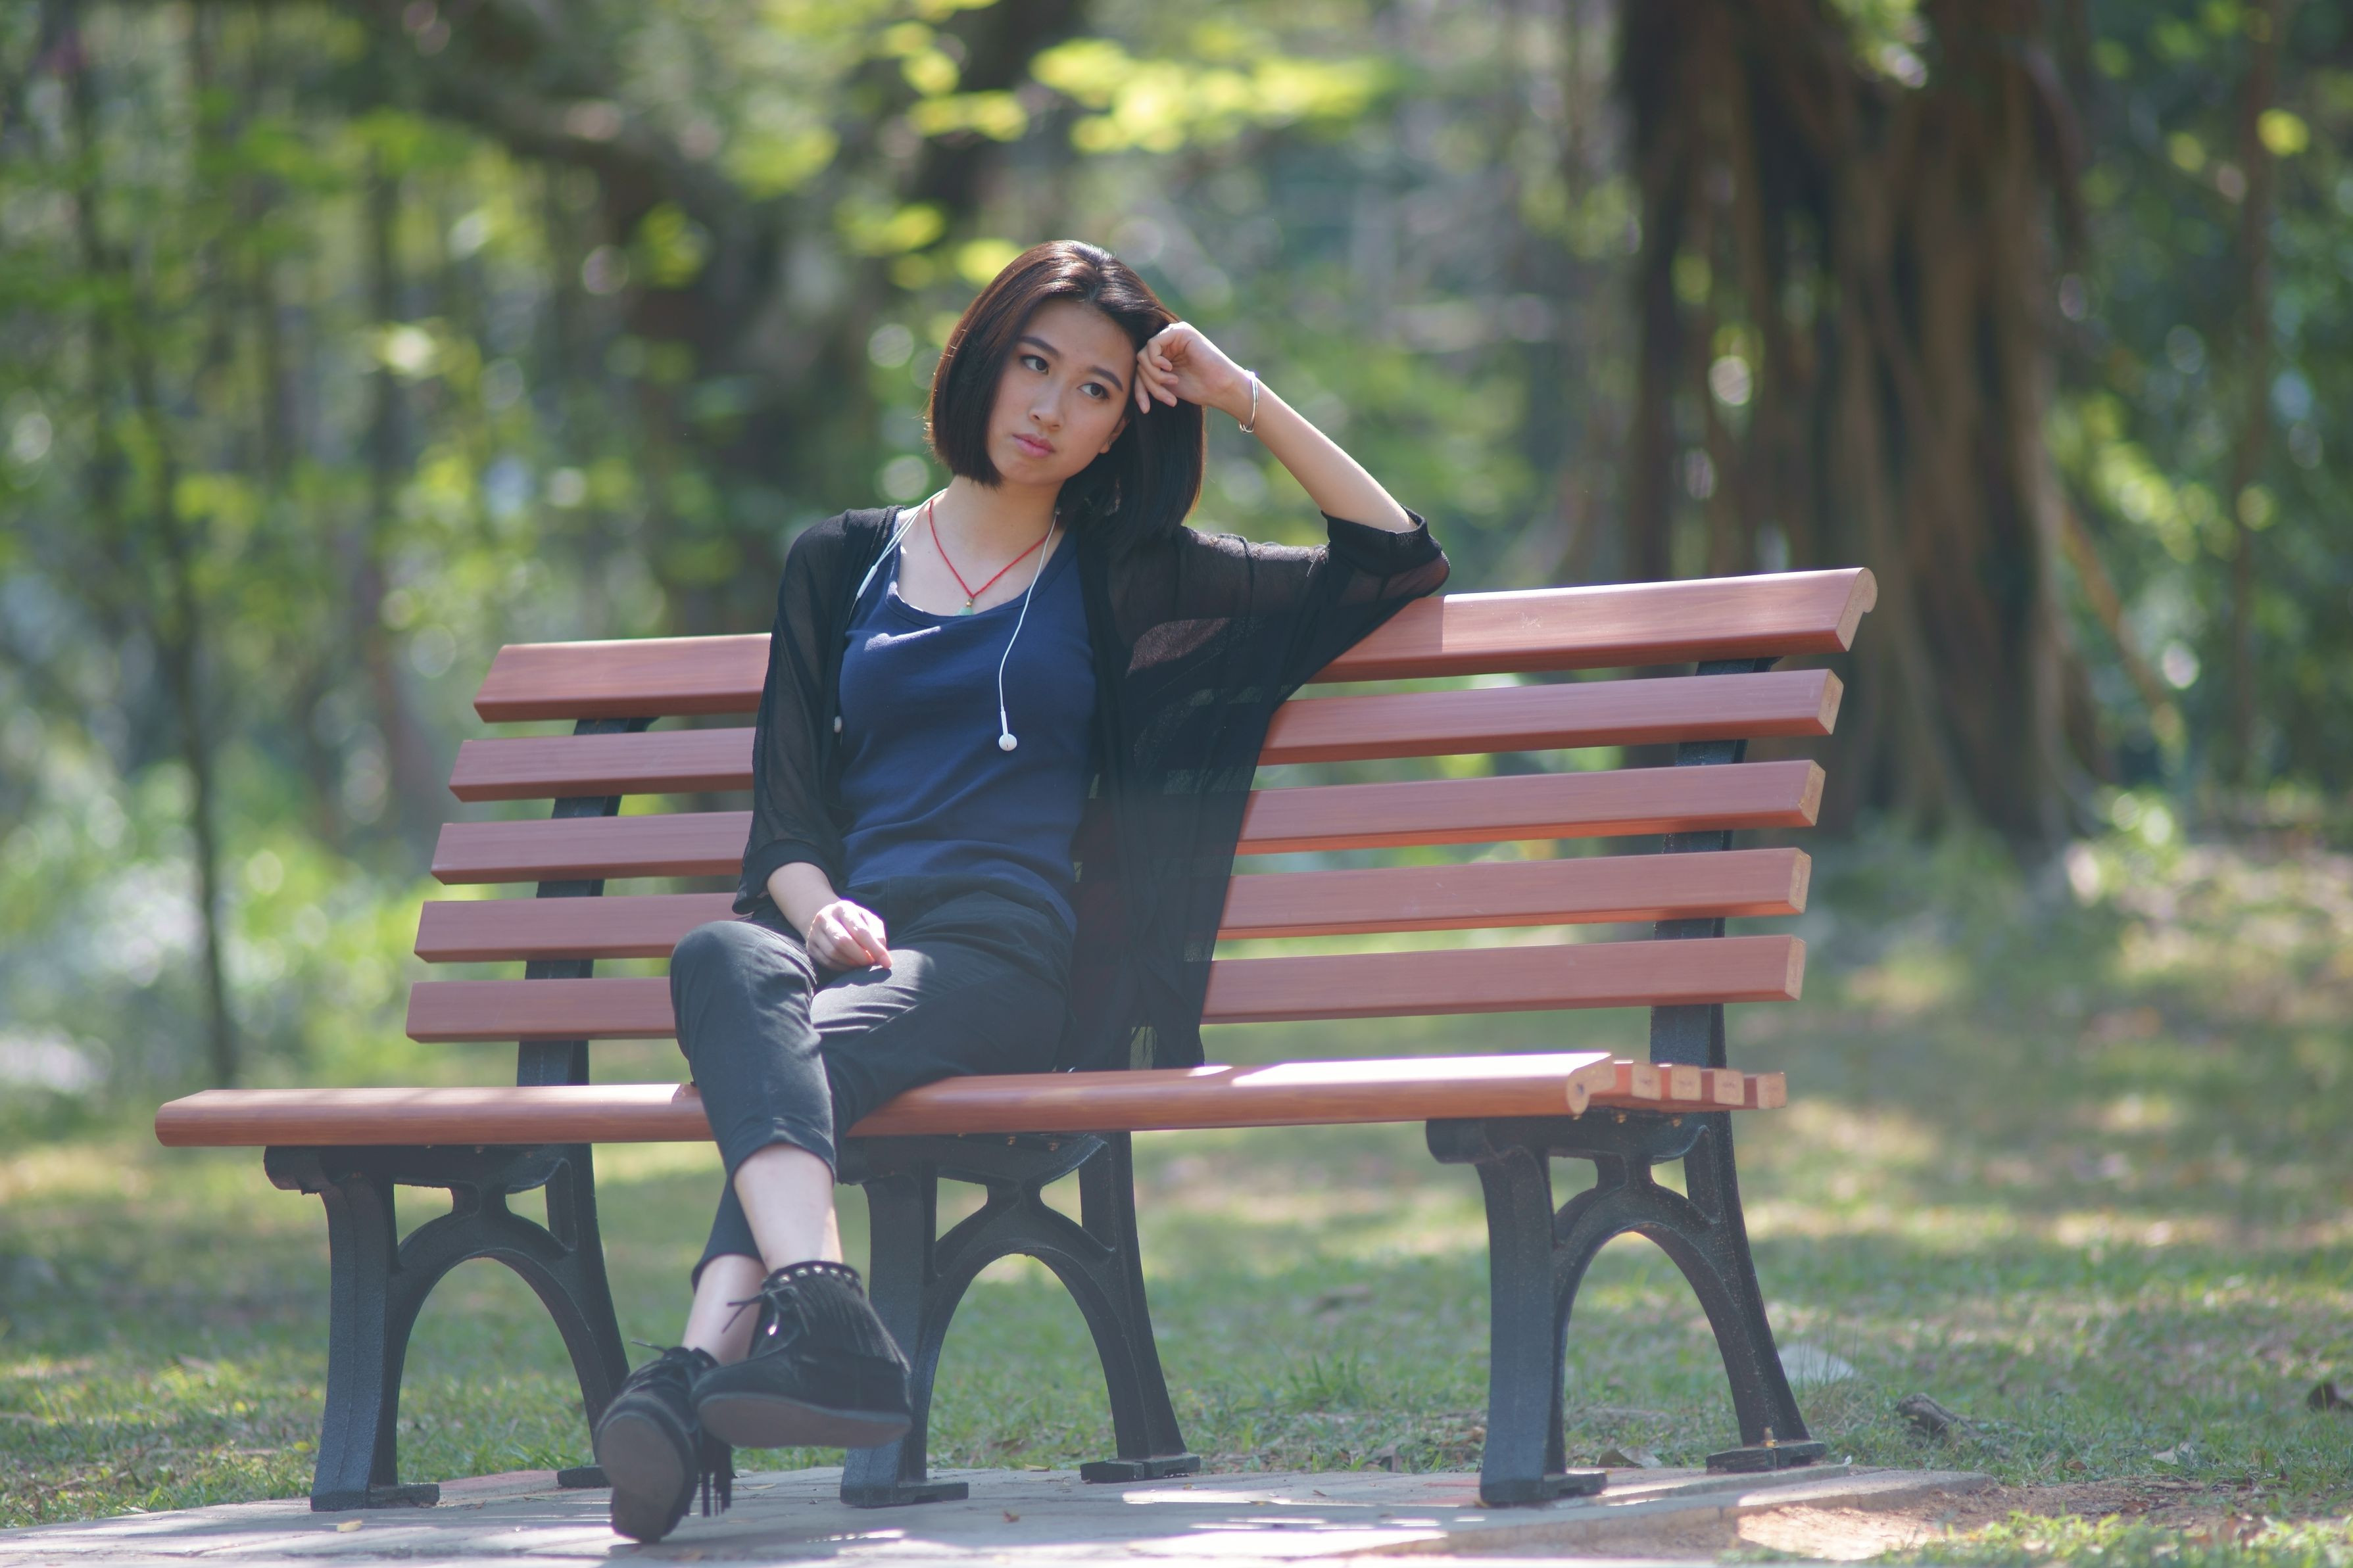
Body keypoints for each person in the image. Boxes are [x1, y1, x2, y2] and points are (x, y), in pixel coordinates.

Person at [588, 239, 1449, 1542]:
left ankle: (700, 1366)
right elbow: (785, 823)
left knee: (800, 1048)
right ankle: (808, 1320)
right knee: (721, 953)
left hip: (1001, 961)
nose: (1050, 406)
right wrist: (819, 909)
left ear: (1120, 428)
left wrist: (1239, 394)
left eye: (1095, 388)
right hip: (842, 944)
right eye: (1034, 364)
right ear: (981, 362)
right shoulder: (838, 560)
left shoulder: (1126, 576)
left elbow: (1391, 560)